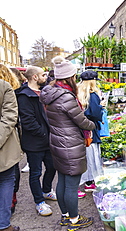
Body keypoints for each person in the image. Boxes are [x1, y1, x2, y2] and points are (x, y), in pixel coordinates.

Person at [40, 56, 95, 230]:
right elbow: (81, 121)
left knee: (63, 180)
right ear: (69, 77)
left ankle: (65, 216)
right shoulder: (66, 97)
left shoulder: (51, 93)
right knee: (71, 184)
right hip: (70, 145)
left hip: (58, 142)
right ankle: (74, 220)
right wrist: (93, 124)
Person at [15, 66, 57, 216]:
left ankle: (46, 190)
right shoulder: (24, 96)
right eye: (43, 75)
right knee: (35, 172)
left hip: (48, 139)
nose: (46, 77)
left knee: (52, 167)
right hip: (34, 142)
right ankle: (39, 202)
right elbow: (28, 122)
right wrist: (46, 135)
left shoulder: (45, 92)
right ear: (34, 77)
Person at [0, 64, 23, 231]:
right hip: (4, 148)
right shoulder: (3, 86)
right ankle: (3, 225)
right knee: (6, 182)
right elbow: (10, 117)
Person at [77, 70, 103, 194]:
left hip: (80, 130)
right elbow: (96, 113)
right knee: (91, 156)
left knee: (83, 156)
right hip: (91, 129)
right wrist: (101, 107)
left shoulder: (77, 93)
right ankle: (89, 182)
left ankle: (84, 181)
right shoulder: (93, 95)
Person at [8, 68, 26, 214]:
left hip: (10, 139)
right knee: (11, 173)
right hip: (9, 140)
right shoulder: (14, 94)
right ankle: (10, 201)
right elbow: (11, 120)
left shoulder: (16, 94)